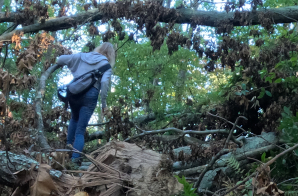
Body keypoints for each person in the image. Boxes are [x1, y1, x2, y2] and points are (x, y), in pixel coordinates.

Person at [56, 42, 115, 163]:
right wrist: (104, 105)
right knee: (80, 130)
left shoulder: (81, 56)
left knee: (74, 119)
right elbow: (104, 85)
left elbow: (60, 59)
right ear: (110, 54)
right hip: (90, 96)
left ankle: (67, 151)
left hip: (74, 93)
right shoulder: (106, 66)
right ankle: (75, 160)